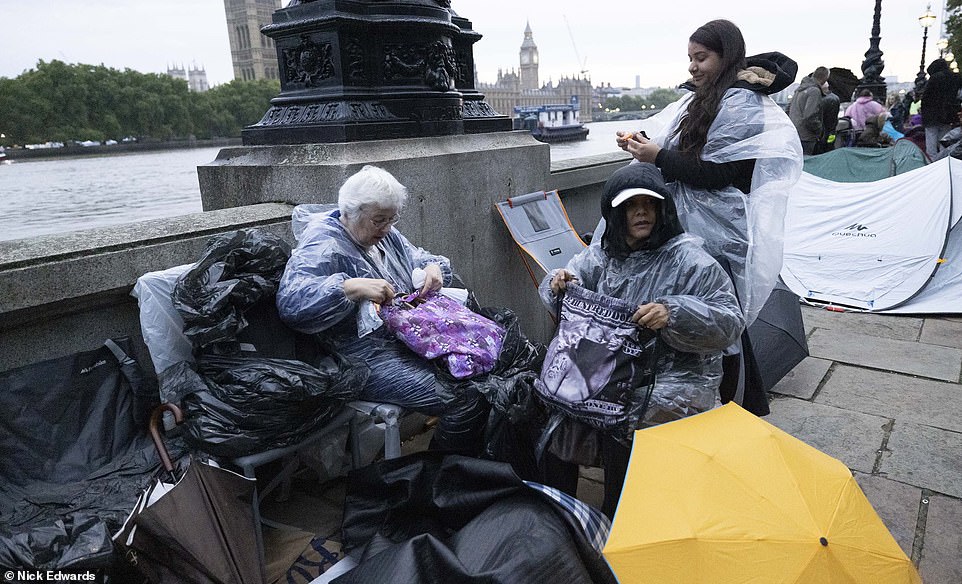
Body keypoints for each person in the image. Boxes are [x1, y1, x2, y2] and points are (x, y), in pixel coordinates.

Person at [614, 19, 802, 416]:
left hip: (717, 229)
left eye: (701, 58)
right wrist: (645, 146)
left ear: (726, 55)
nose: (692, 67)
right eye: (690, 59)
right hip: (693, 223)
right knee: (695, 311)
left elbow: (721, 172)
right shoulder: (703, 98)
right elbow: (687, 154)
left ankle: (732, 403)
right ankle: (714, 400)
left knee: (716, 315)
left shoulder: (741, 103)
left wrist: (658, 157)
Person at [540, 162, 744, 517]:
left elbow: (730, 321)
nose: (641, 212)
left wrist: (674, 313)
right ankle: (560, 515)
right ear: (616, 214)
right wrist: (559, 283)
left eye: (648, 204)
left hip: (676, 374)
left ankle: (617, 515)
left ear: (662, 209)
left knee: (625, 419)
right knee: (559, 408)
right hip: (613, 367)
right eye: (631, 206)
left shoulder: (690, 260)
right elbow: (557, 287)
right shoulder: (602, 255)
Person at [275, 165, 489, 454]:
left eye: (391, 219)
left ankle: (467, 471)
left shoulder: (384, 235)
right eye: (379, 221)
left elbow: (418, 257)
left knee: (485, 374)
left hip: (406, 341)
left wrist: (433, 268)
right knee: (463, 398)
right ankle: (443, 480)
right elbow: (292, 303)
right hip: (360, 358)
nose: (387, 228)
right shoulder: (323, 243)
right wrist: (349, 288)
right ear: (350, 212)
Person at [920, 58, 962, 158]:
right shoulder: (955, 77)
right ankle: (944, 161)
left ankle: (933, 164)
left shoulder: (934, 78)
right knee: (945, 142)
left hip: (931, 116)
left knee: (931, 145)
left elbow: (926, 98)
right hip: (948, 115)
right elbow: (959, 95)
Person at [788, 66, 831, 154]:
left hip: (794, 133)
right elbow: (810, 116)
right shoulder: (814, 91)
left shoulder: (799, 90)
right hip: (806, 136)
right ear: (825, 78)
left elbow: (788, 109)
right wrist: (819, 131)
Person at [815, 81, 841, 154]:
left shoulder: (822, 99)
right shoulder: (834, 98)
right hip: (830, 131)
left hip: (823, 132)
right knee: (829, 149)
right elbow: (833, 120)